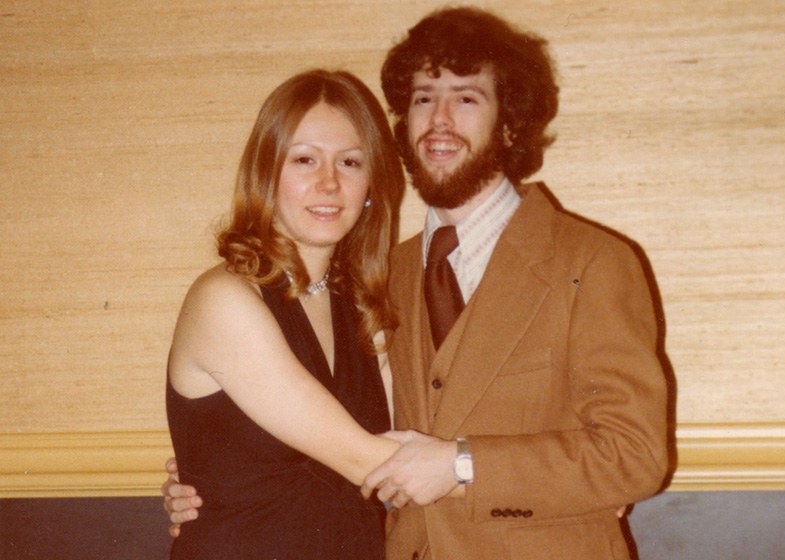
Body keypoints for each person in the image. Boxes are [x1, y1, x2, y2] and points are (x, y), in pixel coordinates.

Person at [165, 7, 670, 559]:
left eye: (467, 97)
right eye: (424, 98)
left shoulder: (591, 262)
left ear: (509, 123)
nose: (440, 118)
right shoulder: (381, 281)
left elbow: (635, 455)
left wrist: (467, 465)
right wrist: (210, 473)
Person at [164, 69, 406, 559]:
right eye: (304, 160)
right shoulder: (225, 300)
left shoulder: (364, 307)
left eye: (351, 162)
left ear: (371, 185)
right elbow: (367, 463)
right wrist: (564, 484)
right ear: (266, 174)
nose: (329, 183)